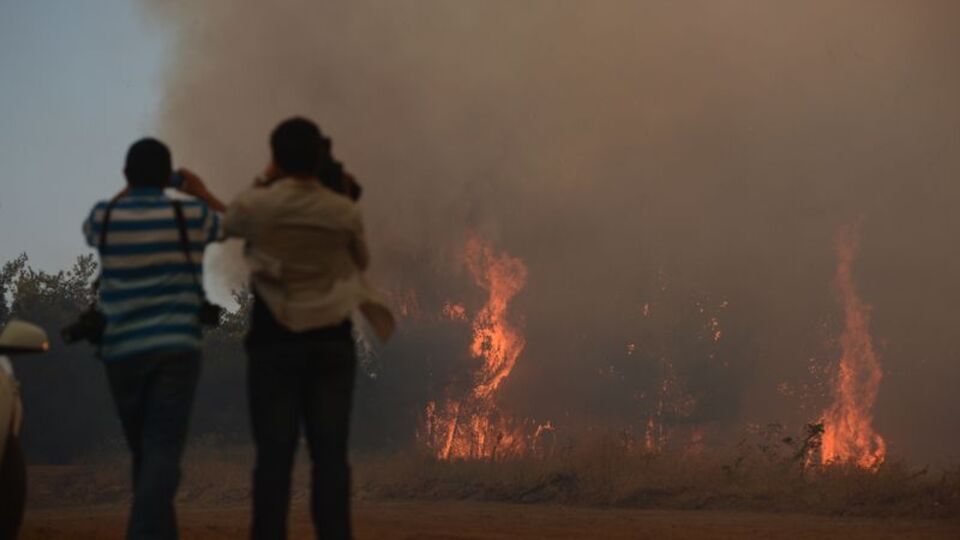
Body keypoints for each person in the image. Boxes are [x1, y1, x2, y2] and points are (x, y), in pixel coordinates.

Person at [217, 117, 393, 539]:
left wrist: (265, 179)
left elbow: (229, 223)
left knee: (274, 457)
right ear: (319, 158)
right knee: (330, 457)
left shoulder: (260, 205)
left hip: (274, 344)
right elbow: (361, 262)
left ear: (275, 159)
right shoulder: (342, 210)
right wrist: (344, 195)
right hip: (330, 345)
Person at [82, 138, 225, 539]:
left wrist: (135, 188)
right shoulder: (190, 215)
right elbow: (232, 222)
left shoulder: (105, 218)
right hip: (176, 353)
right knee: (160, 453)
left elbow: (94, 228)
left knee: (147, 456)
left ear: (126, 176)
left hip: (121, 354)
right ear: (168, 178)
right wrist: (199, 190)